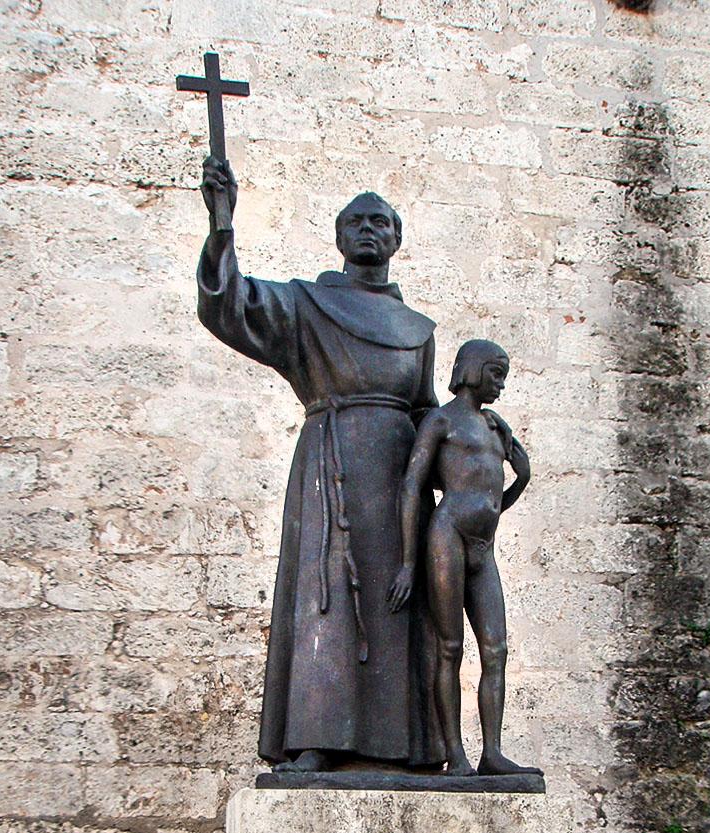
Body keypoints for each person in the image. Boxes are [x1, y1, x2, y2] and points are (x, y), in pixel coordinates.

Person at [197, 156, 443, 772]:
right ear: (339, 237)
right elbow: (229, 306)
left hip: (399, 482)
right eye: (356, 222)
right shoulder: (305, 306)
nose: (369, 230)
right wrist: (222, 223)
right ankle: (317, 739)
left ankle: (409, 748)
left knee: (400, 606)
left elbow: (427, 410)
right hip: (329, 465)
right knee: (324, 601)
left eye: (381, 223)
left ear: (397, 239)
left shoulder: (418, 328)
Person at [389, 339, 540, 777]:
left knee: (497, 648)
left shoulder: (495, 428)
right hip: (447, 536)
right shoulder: (441, 421)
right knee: (449, 647)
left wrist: (522, 478)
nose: (502, 384)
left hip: (482, 546)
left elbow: (492, 501)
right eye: (495, 373)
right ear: (472, 370)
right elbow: (411, 486)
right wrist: (408, 562)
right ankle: (455, 755)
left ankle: (491, 751)